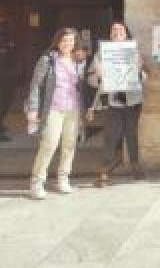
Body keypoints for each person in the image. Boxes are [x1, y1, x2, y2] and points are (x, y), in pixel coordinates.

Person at [25, 28, 85, 199]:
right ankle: (37, 182)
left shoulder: (78, 60)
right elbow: (36, 85)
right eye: (65, 40)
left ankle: (63, 178)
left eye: (71, 40)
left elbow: (83, 87)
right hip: (53, 108)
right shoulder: (48, 60)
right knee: (49, 144)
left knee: (69, 145)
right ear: (58, 41)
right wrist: (33, 108)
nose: (68, 43)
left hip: (73, 108)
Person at [87, 22, 146, 187]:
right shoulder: (101, 54)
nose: (116, 32)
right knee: (111, 137)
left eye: (120, 30)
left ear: (126, 34)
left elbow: (145, 77)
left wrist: (140, 70)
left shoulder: (134, 52)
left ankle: (135, 165)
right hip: (112, 102)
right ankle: (104, 171)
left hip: (132, 101)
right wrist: (98, 75)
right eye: (113, 30)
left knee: (132, 135)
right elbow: (90, 79)